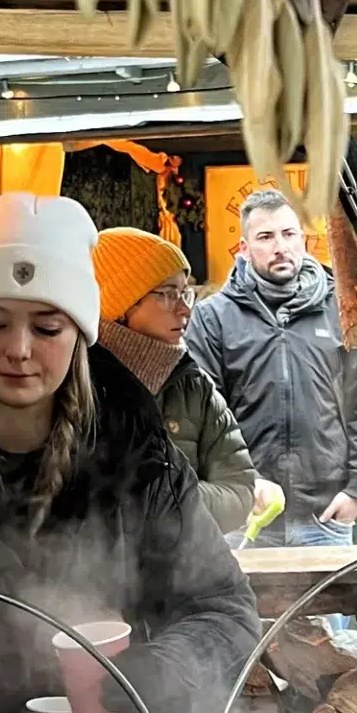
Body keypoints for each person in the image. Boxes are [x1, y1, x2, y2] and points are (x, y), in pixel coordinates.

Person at [0, 192, 259, 713]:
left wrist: (166, 670)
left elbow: (226, 611)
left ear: (80, 334)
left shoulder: (138, 456)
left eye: (48, 326)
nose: (20, 350)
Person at [185, 189, 357, 546]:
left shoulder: (341, 311)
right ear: (243, 248)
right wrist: (244, 482)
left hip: (326, 516)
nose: (280, 247)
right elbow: (201, 417)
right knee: (244, 605)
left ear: (304, 240)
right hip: (244, 517)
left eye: (289, 234)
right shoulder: (214, 319)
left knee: (331, 605)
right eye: (265, 237)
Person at [92, 227, 260, 537]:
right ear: (118, 304)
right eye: (167, 294)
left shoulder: (194, 386)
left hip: (186, 577)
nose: (184, 308)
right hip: (88, 580)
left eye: (185, 292)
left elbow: (240, 492)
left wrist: (174, 497)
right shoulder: (75, 385)